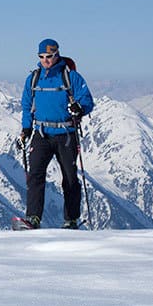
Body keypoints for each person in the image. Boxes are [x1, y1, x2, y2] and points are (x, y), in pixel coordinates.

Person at [19, 38, 94, 229]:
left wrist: (80, 108)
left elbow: (87, 100)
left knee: (69, 177)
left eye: (49, 56)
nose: (45, 60)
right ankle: (33, 218)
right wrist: (26, 129)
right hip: (41, 133)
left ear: (57, 54)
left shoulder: (71, 77)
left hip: (65, 133)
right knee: (35, 174)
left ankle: (71, 219)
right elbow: (26, 106)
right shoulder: (34, 78)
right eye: (42, 57)